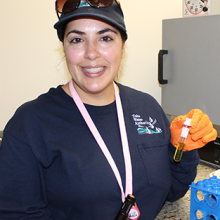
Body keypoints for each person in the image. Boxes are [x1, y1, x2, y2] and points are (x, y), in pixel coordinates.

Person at [0, 0, 217, 219]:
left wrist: (183, 148)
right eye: (77, 39)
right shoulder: (30, 124)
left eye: (105, 38)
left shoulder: (147, 107)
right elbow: (17, 214)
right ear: (64, 50)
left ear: (122, 48)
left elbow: (171, 191)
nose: (91, 53)